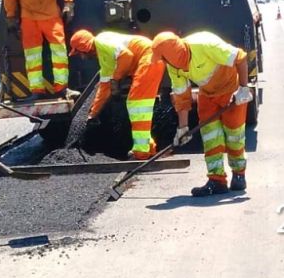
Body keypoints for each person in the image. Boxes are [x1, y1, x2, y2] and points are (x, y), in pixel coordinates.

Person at [151, 31, 253, 197]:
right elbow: (182, 97)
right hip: (207, 94)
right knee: (210, 137)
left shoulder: (204, 44)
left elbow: (240, 57)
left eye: (163, 58)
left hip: (231, 90)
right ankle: (217, 180)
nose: (163, 61)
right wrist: (183, 128)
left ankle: (239, 174)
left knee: (234, 135)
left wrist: (243, 88)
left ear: (172, 54)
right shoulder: (173, 66)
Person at [69, 30, 165, 160]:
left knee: (137, 106)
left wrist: (116, 77)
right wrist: (93, 113)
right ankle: (147, 147)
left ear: (85, 47)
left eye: (80, 53)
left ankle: (141, 152)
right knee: (137, 108)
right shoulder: (105, 59)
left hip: (149, 59)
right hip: (147, 61)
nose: (82, 57)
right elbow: (104, 87)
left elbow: (126, 55)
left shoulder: (101, 41)